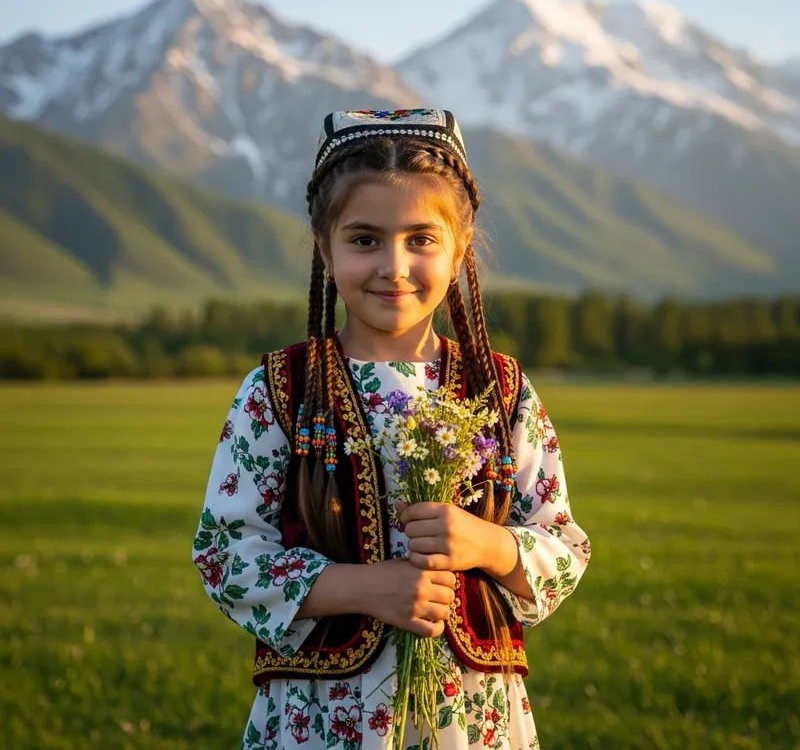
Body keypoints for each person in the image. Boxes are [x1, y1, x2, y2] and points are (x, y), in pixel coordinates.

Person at [192, 109, 591, 750]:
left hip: (471, 713)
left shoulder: (503, 391)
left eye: (421, 240)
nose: (394, 265)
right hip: (322, 716)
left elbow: (564, 547)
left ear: (461, 247)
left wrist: (487, 545)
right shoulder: (279, 391)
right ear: (324, 246)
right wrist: (366, 586)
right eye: (365, 239)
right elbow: (225, 555)